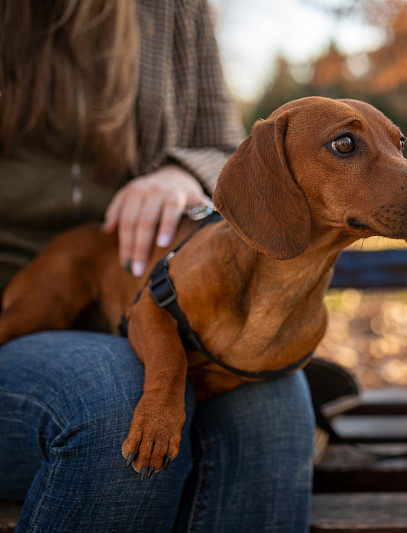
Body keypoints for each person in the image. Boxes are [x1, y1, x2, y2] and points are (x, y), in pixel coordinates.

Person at [0, 1, 314, 531]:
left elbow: (222, 146)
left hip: (139, 289)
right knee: (116, 401)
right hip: (17, 304)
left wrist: (181, 173)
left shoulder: (173, 7)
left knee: (273, 405)